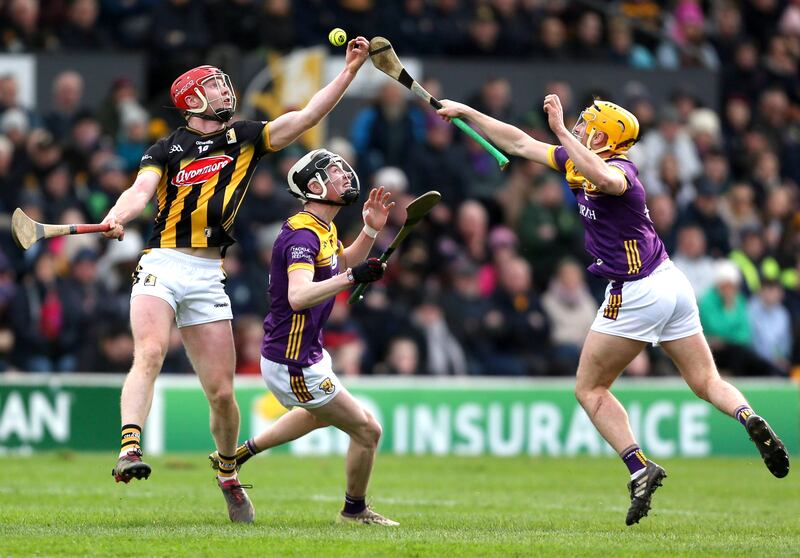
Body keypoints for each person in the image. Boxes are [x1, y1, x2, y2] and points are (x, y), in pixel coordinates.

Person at [436, 95, 791, 526]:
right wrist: (468, 112)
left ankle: (640, 468)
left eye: (588, 125)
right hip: (671, 282)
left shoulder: (623, 170)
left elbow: (605, 180)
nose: (581, 128)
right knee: (706, 380)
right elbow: (519, 143)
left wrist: (563, 130)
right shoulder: (577, 159)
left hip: (638, 290)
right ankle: (747, 415)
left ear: (603, 137)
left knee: (589, 389)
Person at [101, 36, 372, 524]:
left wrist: (350, 70)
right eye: (214, 86)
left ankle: (228, 472)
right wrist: (118, 215)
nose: (225, 91)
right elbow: (138, 191)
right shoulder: (165, 149)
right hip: (162, 261)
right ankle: (129, 448)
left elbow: (305, 118)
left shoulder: (245, 137)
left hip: (208, 272)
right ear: (193, 100)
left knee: (222, 394)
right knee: (150, 352)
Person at [208, 148, 399, 525]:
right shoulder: (302, 236)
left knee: (317, 415)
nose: (345, 175)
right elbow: (299, 295)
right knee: (367, 430)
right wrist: (351, 279)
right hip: (292, 361)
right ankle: (354, 511)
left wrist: (371, 230)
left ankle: (239, 455)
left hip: (304, 353)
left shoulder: (321, 227)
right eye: (334, 172)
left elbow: (341, 262)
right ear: (314, 186)